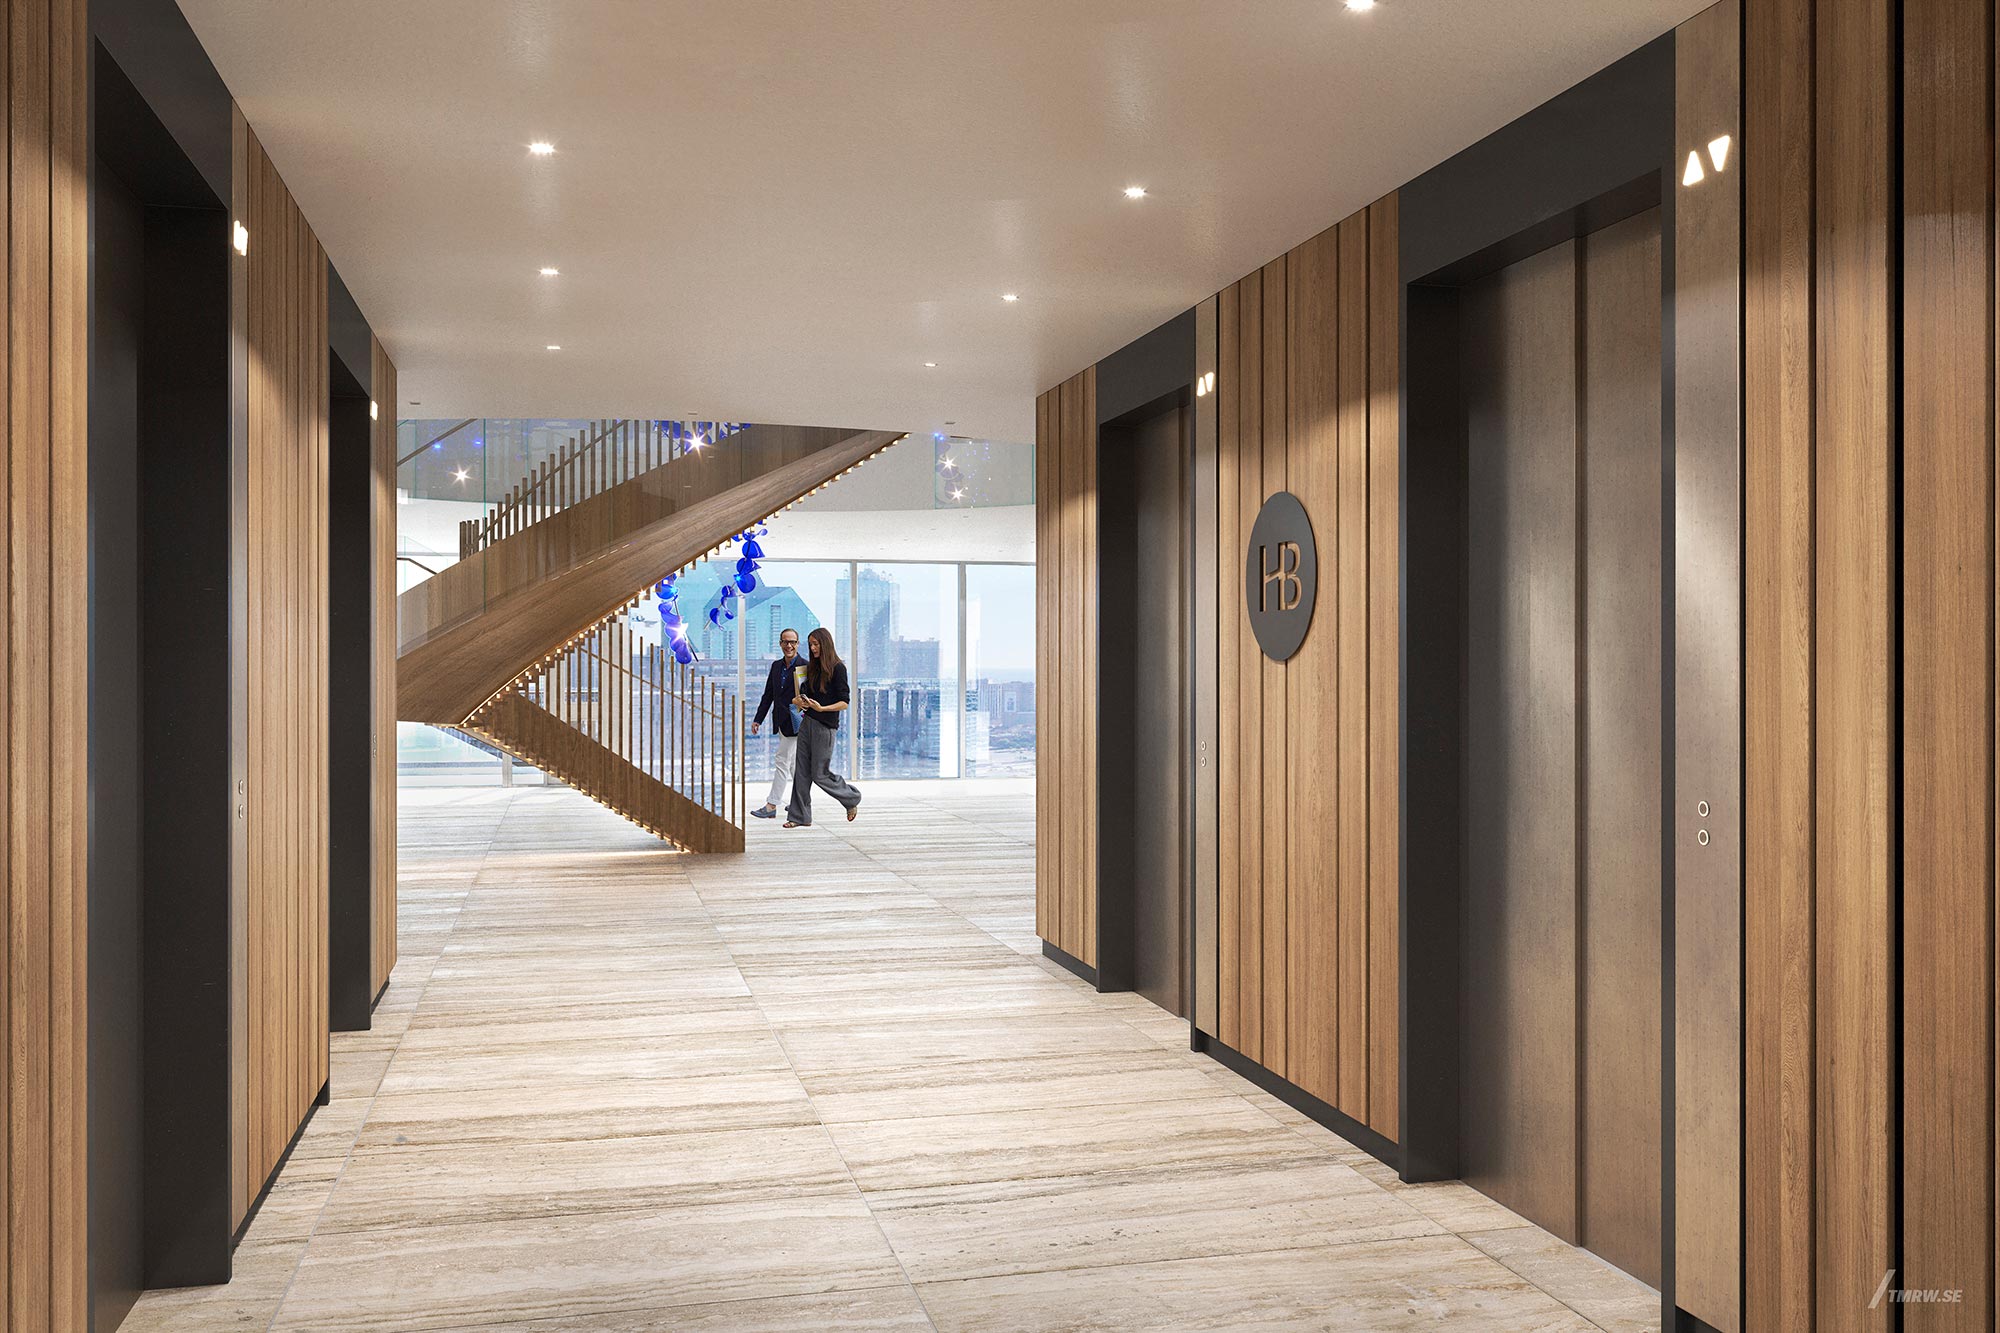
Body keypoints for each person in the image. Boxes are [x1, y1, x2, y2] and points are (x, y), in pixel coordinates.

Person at [785, 626, 862, 827]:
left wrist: (822, 708)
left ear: (825, 644)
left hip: (825, 726)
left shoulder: (838, 668)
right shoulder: (812, 668)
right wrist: (797, 701)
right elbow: (803, 694)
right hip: (807, 723)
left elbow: (844, 702)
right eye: (810, 644)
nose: (812, 648)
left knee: (819, 774)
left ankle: (851, 798)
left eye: (816, 644)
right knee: (801, 771)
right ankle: (798, 817)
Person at [749, 628, 806, 819]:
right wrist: (758, 719)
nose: (789, 645)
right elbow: (769, 695)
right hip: (781, 722)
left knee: (781, 760)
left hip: (797, 723)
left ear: (798, 644)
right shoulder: (775, 666)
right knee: (792, 766)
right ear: (780, 643)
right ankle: (802, 802)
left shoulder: (804, 667)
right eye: (785, 642)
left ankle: (771, 805)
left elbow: (809, 697)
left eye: (793, 642)